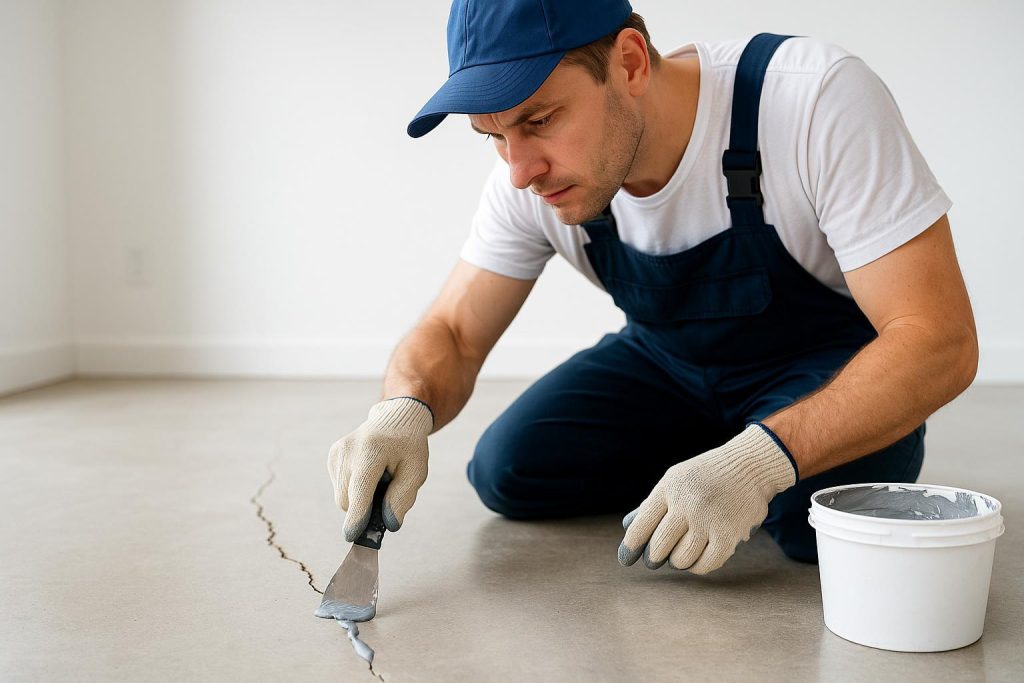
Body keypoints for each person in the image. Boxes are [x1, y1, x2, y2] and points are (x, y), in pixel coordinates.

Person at [327, 0, 977, 575]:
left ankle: (745, 451)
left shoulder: (813, 101)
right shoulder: (532, 179)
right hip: (668, 363)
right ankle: (704, 465)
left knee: (816, 517)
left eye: (541, 119)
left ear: (631, 63)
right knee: (509, 471)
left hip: (818, 363)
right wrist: (400, 410)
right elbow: (455, 331)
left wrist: (759, 460)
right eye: (494, 136)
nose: (519, 170)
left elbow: (938, 338)